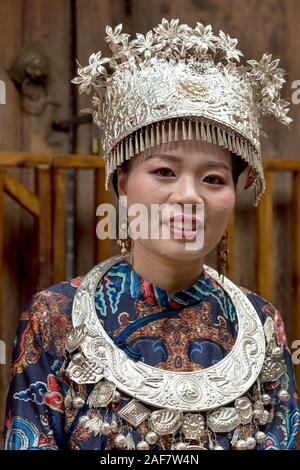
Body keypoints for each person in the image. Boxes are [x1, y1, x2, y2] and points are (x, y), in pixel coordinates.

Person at [3, 18, 300, 450]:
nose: (188, 196)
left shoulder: (263, 325)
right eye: (164, 171)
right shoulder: (55, 319)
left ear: (237, 193)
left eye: (214, 179)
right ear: (122, 184)